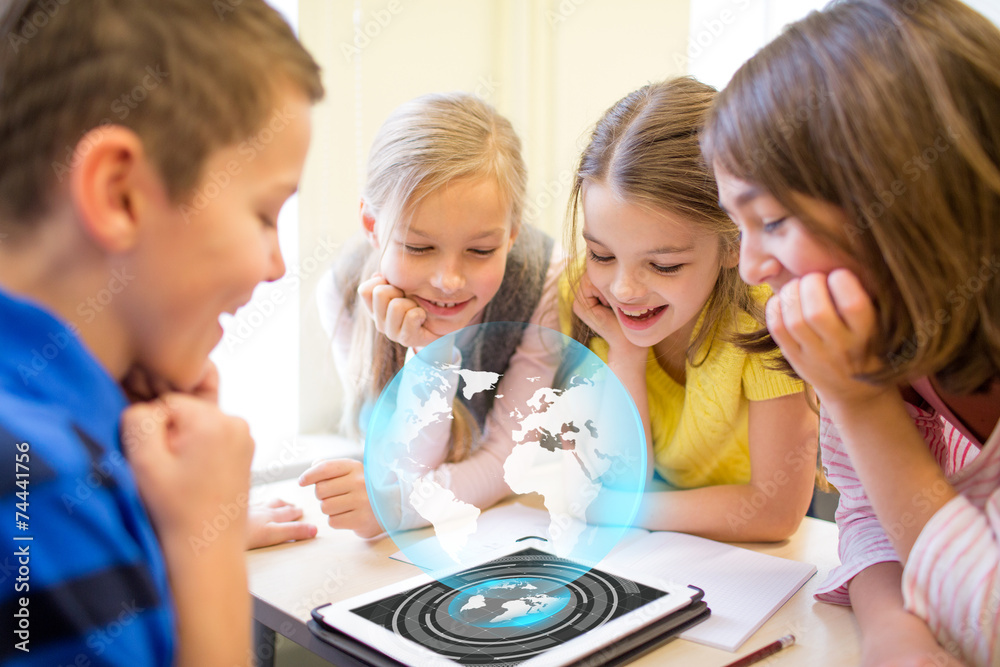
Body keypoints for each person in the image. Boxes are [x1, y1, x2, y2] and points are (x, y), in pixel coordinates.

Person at [0, 1, 323, 665]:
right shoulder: (41, 487)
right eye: (264, 214)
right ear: (119, 192)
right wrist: (208, 536)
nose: (277, 265)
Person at [703, 1, 1000, 664]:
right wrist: (895, 624)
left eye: (774, 220)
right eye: (738, 226)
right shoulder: (873, 331)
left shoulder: (854, 367)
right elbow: (868, 513)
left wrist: (858, 401)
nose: (752, 265)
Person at [563, 77, 818, 542]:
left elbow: (776, 512)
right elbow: (619, 481)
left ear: (734, 243)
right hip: (661, 546)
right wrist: (625, 354)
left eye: (663, 265)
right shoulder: (585, 298)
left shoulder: (767, 315)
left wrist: (620, 509)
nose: (624, 288)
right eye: (601, 254)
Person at [301, 92, 562, 539]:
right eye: (418, 247)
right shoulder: (341, 293)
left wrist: (399, 506)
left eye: (481, 250)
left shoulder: (546, 279)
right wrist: (429, 357)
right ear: (372, 225)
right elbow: (397, 464)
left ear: (512, 233)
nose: (449, 280)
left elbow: (505, 461)